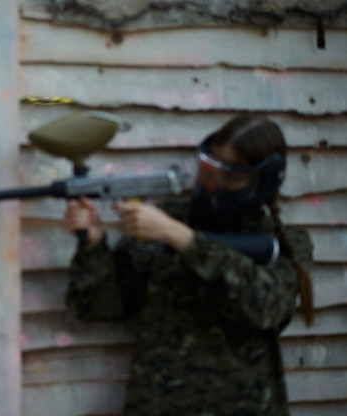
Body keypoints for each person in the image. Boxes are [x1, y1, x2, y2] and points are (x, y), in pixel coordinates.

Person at [62, 115, 314, 415]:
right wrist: (93, 243)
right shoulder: (167, 218)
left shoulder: (285, 243)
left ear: (262, 180)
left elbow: (266, 308)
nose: (212, 183)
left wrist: (181, 238)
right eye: (208, 168)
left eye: (230, 176)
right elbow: (98, 305)